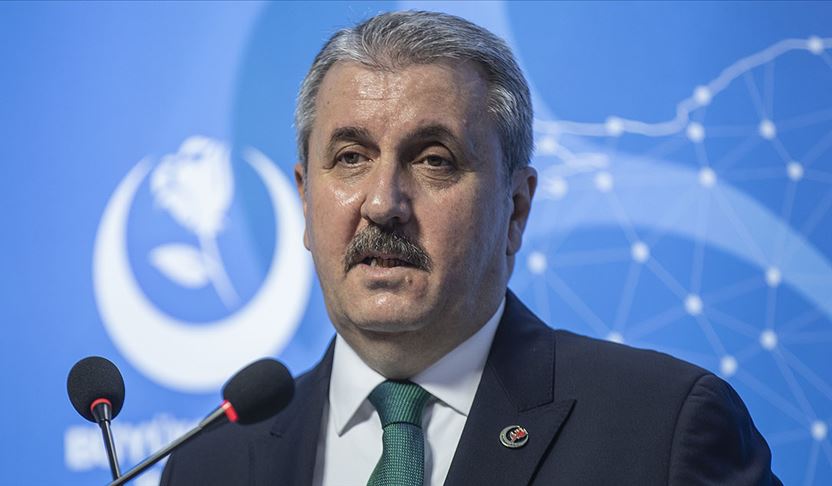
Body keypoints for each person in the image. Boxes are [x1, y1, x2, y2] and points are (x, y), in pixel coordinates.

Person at [161, 11, 780, 485]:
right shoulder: (209, 465)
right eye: (350, 158)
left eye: (434, 160)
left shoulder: (663, 430)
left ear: (516, 208)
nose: (383, 203)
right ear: (304, 199)